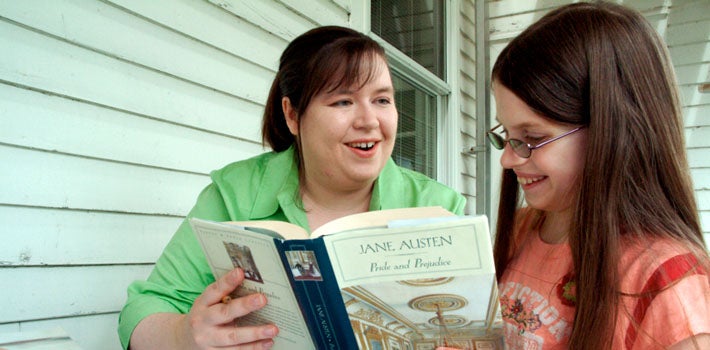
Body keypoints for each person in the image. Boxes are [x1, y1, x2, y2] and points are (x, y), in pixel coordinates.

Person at [117, 26, 465, 350]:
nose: (369, 121)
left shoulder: (438, 208)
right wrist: (185, 336)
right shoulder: (234, 196)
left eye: (382, 100)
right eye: (343, 101)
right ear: (292, 115)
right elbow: (144, 310)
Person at [487, 2, 709, 349]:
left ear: (614, 132)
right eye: (507, 134)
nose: (508, 158)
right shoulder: (521, 231)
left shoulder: (668, 283)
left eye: (533, 138)